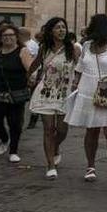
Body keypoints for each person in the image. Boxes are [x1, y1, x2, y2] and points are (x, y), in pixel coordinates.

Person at [65, 14, 107, 185]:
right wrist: (75, 83)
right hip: (88, 91)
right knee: (92, 130)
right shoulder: (87, 45)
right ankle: (90, 167)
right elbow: (80, 66)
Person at [28, 17, 80, 179]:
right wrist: (28, 76)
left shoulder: (72, 49)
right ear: (51, 31)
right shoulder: (44, 49)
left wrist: (79, 83)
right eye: (57, 28)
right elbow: (35, 64)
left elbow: (80, 68)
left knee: (63, 130)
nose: (61, 30)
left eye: (63, 27)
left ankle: (55, 147)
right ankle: (50, 165)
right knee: (48, 129)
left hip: (65, 94)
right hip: (46, 92)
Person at [0, 23, 33, 163]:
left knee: (15, 123)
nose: (8, 38)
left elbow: (29, 69)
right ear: (0, 37)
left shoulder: (23, 51)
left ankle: (13, 150)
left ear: (16, 37)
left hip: (16, 92)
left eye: (11, 35)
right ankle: (5, 139)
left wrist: (31, 81)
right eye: (5, 35)